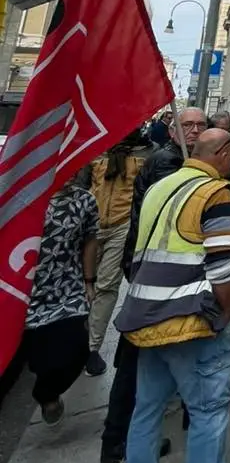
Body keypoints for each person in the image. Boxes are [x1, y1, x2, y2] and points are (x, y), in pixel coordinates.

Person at [114, 128, 230, 463]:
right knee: (209, 411)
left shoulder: (160, 187)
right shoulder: (216, 192)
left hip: (144, 314)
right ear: (224, 154)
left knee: (146, 411)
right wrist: (225, 312)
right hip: (191, 318)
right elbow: (223, 263)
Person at [17, 174, 99, 426]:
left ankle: (46, 392)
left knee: (77, 349)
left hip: (68, 289)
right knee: (41, 359)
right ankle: (47, 394)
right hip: (25, 295)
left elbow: (90, 239)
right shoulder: (20, 201)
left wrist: (89, 280)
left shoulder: (84, 200)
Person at [85, 130, 150, 376]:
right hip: (91, 225)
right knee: (84, 284)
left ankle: (92, 347)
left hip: (122, 225)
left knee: (106, 286)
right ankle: (80, 339)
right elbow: (83, 183)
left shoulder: (146, 152)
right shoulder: (95, 150)